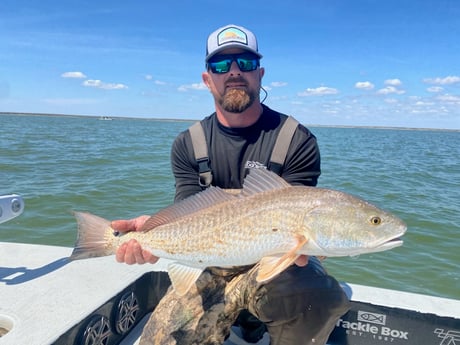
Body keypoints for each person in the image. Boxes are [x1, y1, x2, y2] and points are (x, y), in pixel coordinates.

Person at [113, 24, 350, 345]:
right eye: (221, 65)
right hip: (208, 261)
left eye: (246, 63)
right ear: (207, 78)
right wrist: (152, 234)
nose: (235, 72)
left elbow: (298, 213)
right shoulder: (188, 144)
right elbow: (187, 212)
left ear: (261, 74)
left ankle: (260, 318)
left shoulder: (296, 139)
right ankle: (246, 320)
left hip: (276, 261)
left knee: (313, 298)